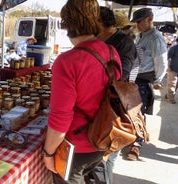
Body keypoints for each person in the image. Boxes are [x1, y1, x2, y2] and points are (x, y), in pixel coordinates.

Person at [42, 0, 122, 184]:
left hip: (77, 149)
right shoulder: (112, 52)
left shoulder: (67, 61)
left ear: (67, 24)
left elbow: (61, 117)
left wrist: (48, 152)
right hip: (104, 137)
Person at [96, 7, 137, 184]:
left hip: (114, 109)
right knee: (98, 158)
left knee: (106, 158)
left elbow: (122, 74)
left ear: (100, 24)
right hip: (101, 107)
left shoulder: (123, 43)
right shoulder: (102, 39)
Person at [126, 7, 167, 161]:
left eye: (139, 22)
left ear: (150, 19)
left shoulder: (156, 38)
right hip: (134, 77)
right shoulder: (141, 36)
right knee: (129, 111)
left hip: (144, 80)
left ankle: (137, 144)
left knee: (138, 112)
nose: (137, 25)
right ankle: (131, 138)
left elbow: (161, 61)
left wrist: (158, 80)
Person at [97, 6, 137, 82]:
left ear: (100, 22)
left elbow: (123, 73)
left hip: (111, 91)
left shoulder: (124, 42)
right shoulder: (100, 40)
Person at [165, 37, 178, 104]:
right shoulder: (174, 48)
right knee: (172, 84)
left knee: (175, 85)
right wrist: (168, 66)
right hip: (173, 69)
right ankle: (171, 99)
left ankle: (168, 95)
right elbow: (166, 57)